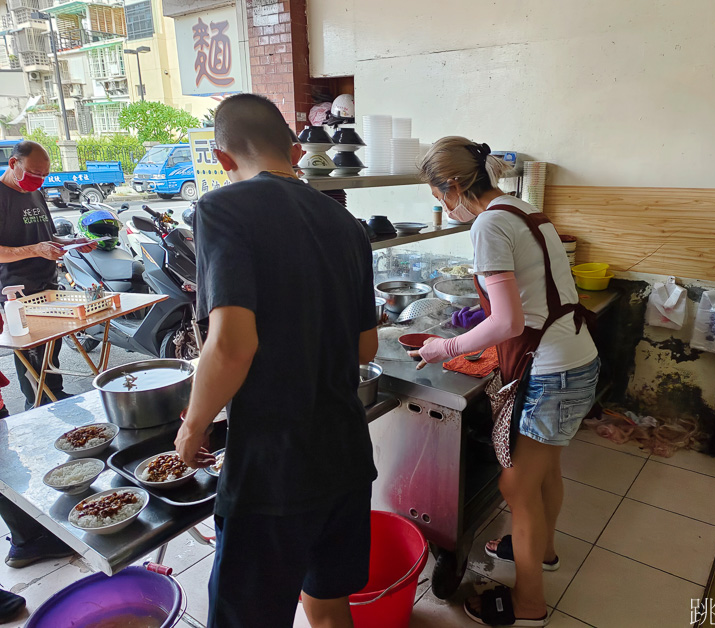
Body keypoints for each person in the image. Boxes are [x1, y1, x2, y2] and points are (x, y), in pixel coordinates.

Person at [175, 93, 379, 628]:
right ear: (293, 151)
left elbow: (231, 345)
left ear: (222, 158)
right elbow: (366, 349)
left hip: (273, 467)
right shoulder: (348, 226)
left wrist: (193, 427)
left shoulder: (221, 208)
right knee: (330, 603)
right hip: (345, 454)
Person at [409, 137, 600, 627]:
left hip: (551, 371)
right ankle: (544, 549)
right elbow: (527, 299)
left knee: (516, 486)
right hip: (576, 357)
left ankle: (529, 604)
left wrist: (443, 347)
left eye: (438, 196)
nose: (440, 206)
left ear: (452, 185)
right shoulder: (520, 209)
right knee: (545, 469)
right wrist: (484, 315)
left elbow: (509, 322)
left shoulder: (489, 224)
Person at [0, 140, 96, 409]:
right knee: (31, 352)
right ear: (13, 164)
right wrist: (36, 250)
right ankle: (40, 405)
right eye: (34, 174)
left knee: (53, 346)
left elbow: (47, 237)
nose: (39, 180)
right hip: (16, 290)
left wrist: (72, 243)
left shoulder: (35, 193)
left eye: (44, 175)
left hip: (47, 282)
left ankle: (57, 395)